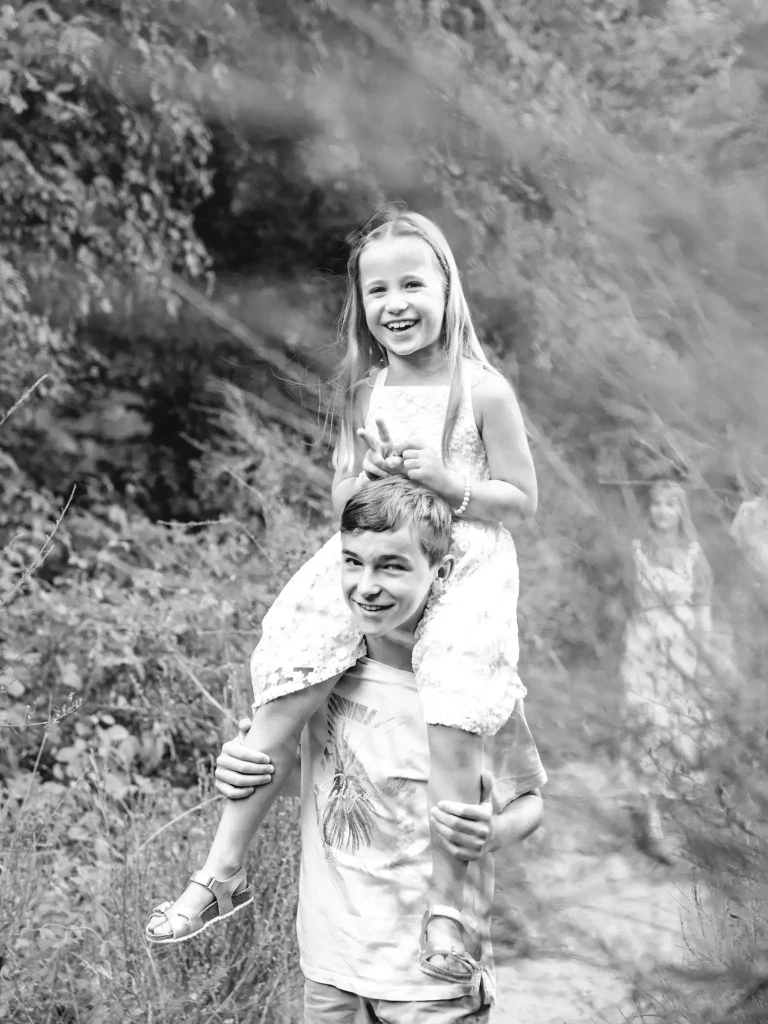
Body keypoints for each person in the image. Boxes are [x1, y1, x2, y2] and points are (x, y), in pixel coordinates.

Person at [146, 209, 538, 978]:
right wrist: (373, 477)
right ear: (361, 304)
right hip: (373, 552)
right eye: (377, 288)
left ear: (446, 290)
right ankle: (220, 869)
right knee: (295, 649)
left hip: (466, 555)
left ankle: (448, 910)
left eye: (413, 284)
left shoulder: (483, 390)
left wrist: (443, 480)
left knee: (455, 699)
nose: (396, 302)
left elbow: (521, 498)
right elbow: (342, 501)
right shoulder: (366, 391)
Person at [215, 477, 547, 1021]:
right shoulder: (321, 673)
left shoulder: (475, 688)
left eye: (392, 566)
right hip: (331, 961)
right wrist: (239, 764)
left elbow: (531, 801)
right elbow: (286, 759)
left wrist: (497, 830)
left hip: (433, 973)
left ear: (439, 573)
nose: (367, 586)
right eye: (353, 563)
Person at [620, 478, 713, 865]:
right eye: (656, 504)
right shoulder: (637, 551)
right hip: (644, 645)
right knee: (647, 725)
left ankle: (673, 816)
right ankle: (649, 820)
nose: (662, 511)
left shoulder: (695, 555)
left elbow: (704, 610)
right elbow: (626, 600)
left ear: (681, 511)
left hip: (683, 648)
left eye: (670, 504)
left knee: (679, 727)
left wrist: (703, 660)